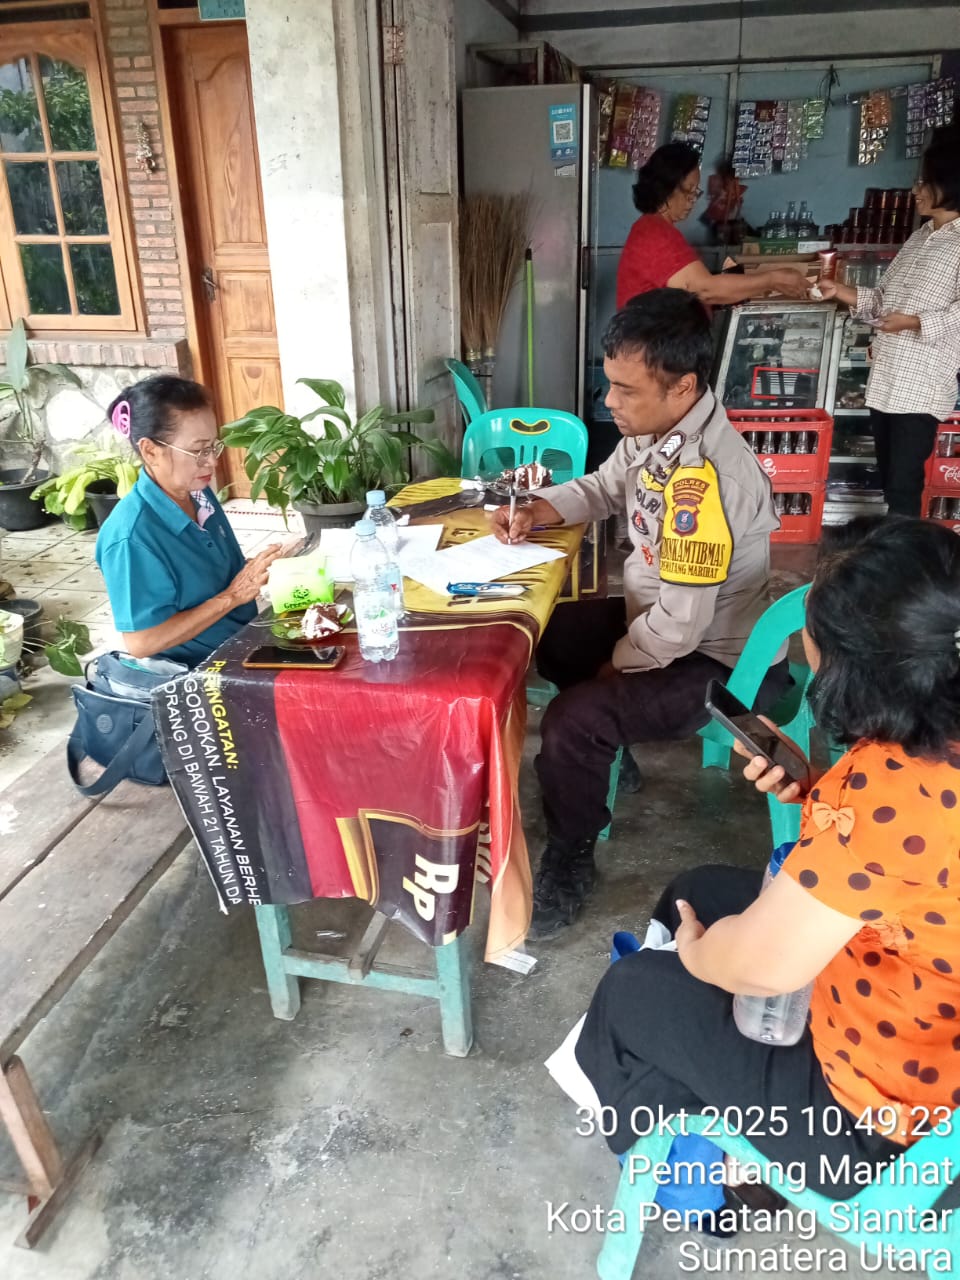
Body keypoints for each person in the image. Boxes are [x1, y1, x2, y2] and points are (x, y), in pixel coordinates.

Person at [573, 515, 960, 1197]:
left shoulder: (891, 787)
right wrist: (819, 791)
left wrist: (697, 955)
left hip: (890, 1128)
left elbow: (761, 965)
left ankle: (707, 1181)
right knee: (697, 889)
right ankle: (698, 1098)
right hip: (926, 1011)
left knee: (631, 994)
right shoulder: (924, 753)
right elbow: (915, 864)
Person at [491, 289, 790, 939]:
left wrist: (615, 669)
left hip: (721, 661)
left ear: (683, 386)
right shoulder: (657, 434)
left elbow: (679, 626)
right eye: (610, 385)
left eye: (626, 390)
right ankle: (606, 752)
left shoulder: (706, 479)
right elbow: (604, 486)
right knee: (550, 635)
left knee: (574, 720)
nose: (610, 402)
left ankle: (572, 852)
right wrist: (538, 508)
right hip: (661, 621)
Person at [96, 375, 283, 666]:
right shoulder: (131, 537)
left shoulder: (198, 493)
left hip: (243, 643)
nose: (212, 462)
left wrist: (264, 568)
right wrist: (232, 596)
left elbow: (214, 573)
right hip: (197, 672)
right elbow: (143, 642)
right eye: (198, 451)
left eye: (213, 447)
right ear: (150, 451)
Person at [819, 133, 960, 516]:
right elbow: (883, 300)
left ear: (949, 184)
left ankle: (903, 549)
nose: (915, 190)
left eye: (924, 182)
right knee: (890, 478)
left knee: (903, 483)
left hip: (922, 384)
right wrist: (839, 290)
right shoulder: (919, 237)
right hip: (887, 378)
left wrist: (913, 322)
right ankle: (895, 542)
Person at [616, 142, 809, 310]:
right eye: (689, 190)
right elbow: (704, 290)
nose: (693, 200)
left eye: (696, 191)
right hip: (651, 340)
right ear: (666, 187)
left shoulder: (656, 228)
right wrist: (772, 280)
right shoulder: (654, 233)